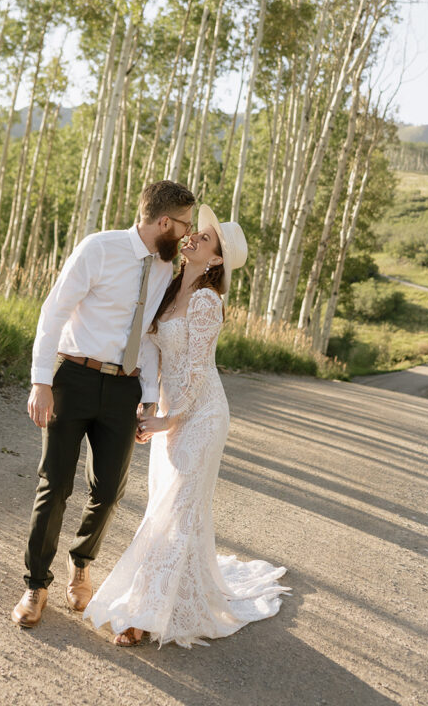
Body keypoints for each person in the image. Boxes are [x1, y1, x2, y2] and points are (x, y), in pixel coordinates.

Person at [83, 204, 290, 648]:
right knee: (168, 506)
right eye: (194, 233)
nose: (192, 238)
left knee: (174, 510)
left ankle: (143, 612)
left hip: (201, 415)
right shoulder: (173, 287)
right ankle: (171, 594)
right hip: (169, 413)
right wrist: (149, 405)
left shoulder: (205, 301)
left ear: (215, 260)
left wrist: (166, 420)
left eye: (205, 239)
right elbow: (153, 351)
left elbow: (196, 373)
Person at [11, 180, 196, 628]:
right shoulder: (98, 249)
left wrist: (149, 399)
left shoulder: (163, 267)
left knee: (109, 490)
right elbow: (53, 311)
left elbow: (148, 336)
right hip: (72, 378)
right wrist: (41, 382)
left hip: (124, 391)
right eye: (185, 225)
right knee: (54, 485)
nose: (188, 235)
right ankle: (36, 584)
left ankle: (82, 562)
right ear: (164, 222)